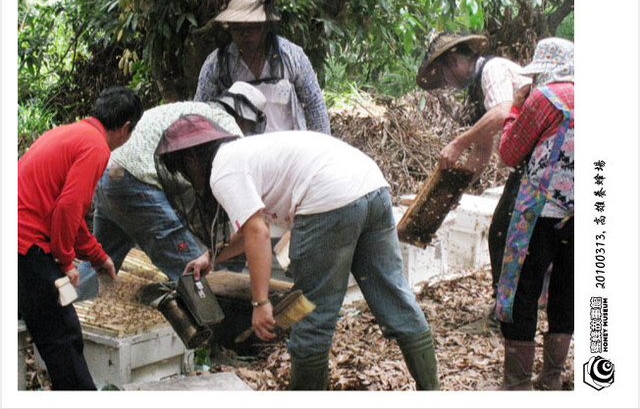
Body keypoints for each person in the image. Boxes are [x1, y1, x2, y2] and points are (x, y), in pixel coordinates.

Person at [154, 115, 440, 390]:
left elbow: (258, 233)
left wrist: (260, 302)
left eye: (183, 171)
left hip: (327, 198)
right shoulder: (243, 153)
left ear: (191, 160)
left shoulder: (223, 171)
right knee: (394, 295)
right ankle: (431, 391)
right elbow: (253, 227)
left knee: (312, 315)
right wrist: (212, 257)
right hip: (371, 186)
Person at [76, 83, 259, 300]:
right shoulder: (227, 127)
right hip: (135, 179)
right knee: (193, 267)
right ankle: (211, 329)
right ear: (245, 118)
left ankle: (60, 306)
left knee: (99, 261)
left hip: (108, 175)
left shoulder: (192, 110)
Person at [18, 86, 143, 390]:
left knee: (58, 325)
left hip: (21, 240)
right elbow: (67, 209)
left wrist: (98, 256)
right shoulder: (96, 147)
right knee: (63, 335)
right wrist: (65, 262)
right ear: (126, 128)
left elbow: (70, 216)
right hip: (25, 244)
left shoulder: (70, 132)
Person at [416, 32, 532, 324]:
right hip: (532, 162)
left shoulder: (492, 70)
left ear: (455, 60)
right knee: (507, 231)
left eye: (443, 72)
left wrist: (457, 143)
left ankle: (507, 312)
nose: (446, 81)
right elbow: (483, 149)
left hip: (544, 157)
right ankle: (512, 307)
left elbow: (504, 112)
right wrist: (452, 191)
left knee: (502, 231)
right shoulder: (479, 89)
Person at [495, 37, 574, 390]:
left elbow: (510, 152)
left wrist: (515, 106)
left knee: (523, 291)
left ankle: (518, 385)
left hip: (540, 214)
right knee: (566, 289)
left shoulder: (545, 98)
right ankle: (553, 378)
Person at [194, 0, 330, 135]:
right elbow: (201, 111)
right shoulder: (217, 64)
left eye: (251, 28)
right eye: (239, 28)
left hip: (288, 148)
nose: (245, 34)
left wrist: (323, 145)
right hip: (243, 151)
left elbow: (314, 103)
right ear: (230, 28)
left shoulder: (291, 57)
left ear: (264, 26)